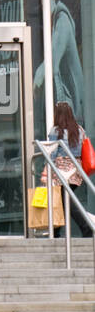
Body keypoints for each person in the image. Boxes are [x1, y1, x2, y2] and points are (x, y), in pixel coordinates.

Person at [49, 99, 88, 238]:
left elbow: (52, 153)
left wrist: (46, 170)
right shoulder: (79, 129)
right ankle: (56, 231)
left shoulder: (56, 130)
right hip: (76, 170)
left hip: (61, 171)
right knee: (62, 199)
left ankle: (86, 226)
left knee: (63, 199)